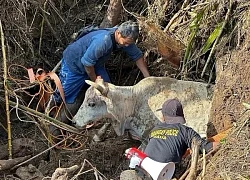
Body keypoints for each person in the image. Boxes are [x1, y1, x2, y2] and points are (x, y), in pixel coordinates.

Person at [55, 20, 150, 104]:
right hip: (75, 63)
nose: (126, 46)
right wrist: (95, 81)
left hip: (96, 64)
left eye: (129, 43)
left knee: (108, 92)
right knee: (62, 95)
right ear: (118, 33)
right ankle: (50, 109)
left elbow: (138, 56)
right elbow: (87, 64)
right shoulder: (103, 41)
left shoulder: (126, 39)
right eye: (125, 43)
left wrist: (148, 78)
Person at [122, 98, 219, 179]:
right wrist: (225, 141)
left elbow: (145, 150)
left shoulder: (155, 129)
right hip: (165, 174)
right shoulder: (186, 131)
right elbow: (208, 147)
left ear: (164, 116)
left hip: (141, 173)